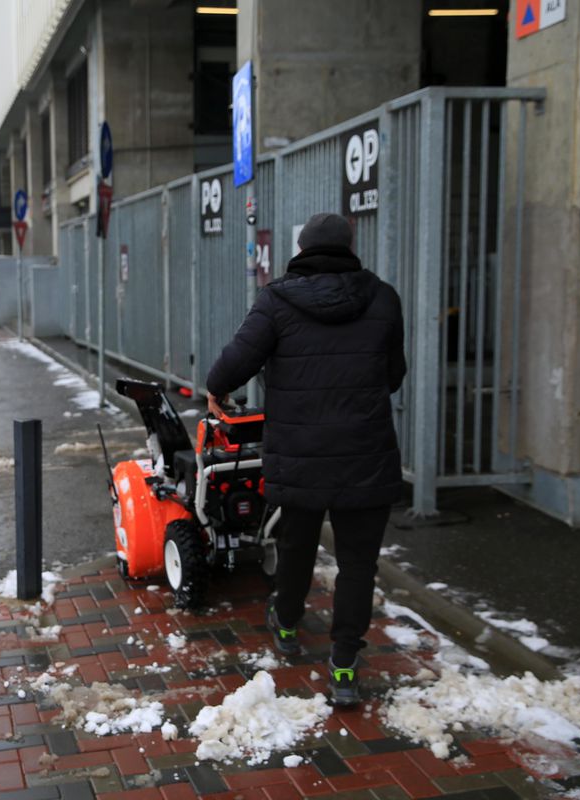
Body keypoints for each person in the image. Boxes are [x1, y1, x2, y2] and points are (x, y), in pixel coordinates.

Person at [205, 212, 406, 708]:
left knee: (296, 544)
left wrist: (216, 390)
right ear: (350, 247)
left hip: (300, 455)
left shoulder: (277, 300)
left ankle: (288, 623)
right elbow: (393, 375)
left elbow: (235, 362)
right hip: (365, 453)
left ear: (302, 249)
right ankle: (344, 662)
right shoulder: (383, 297)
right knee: (359, 563)